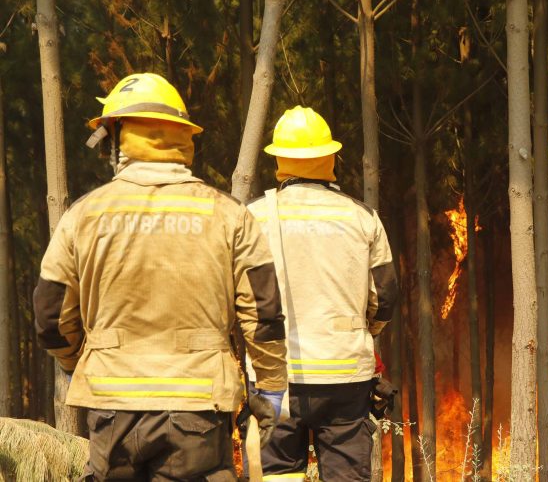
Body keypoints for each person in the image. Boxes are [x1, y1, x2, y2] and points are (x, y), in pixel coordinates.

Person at [33, 73, 287, 481]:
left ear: (117, 136)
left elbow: (50, 318)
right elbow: (265, 315)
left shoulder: (82, 216)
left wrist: (85, 358)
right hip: (199, 410)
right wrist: (271, 388)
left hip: (111, 407)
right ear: (182, 139)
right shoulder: (228, 215)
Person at [246, 106, 399, 481]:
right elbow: (385, 298)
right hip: (344, 376)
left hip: (274, 379)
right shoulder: (362, 217)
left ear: (279, 160)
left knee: (278, 475)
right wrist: (362, 333)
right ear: (330, 157)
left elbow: (237, 300)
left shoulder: (253, 217)